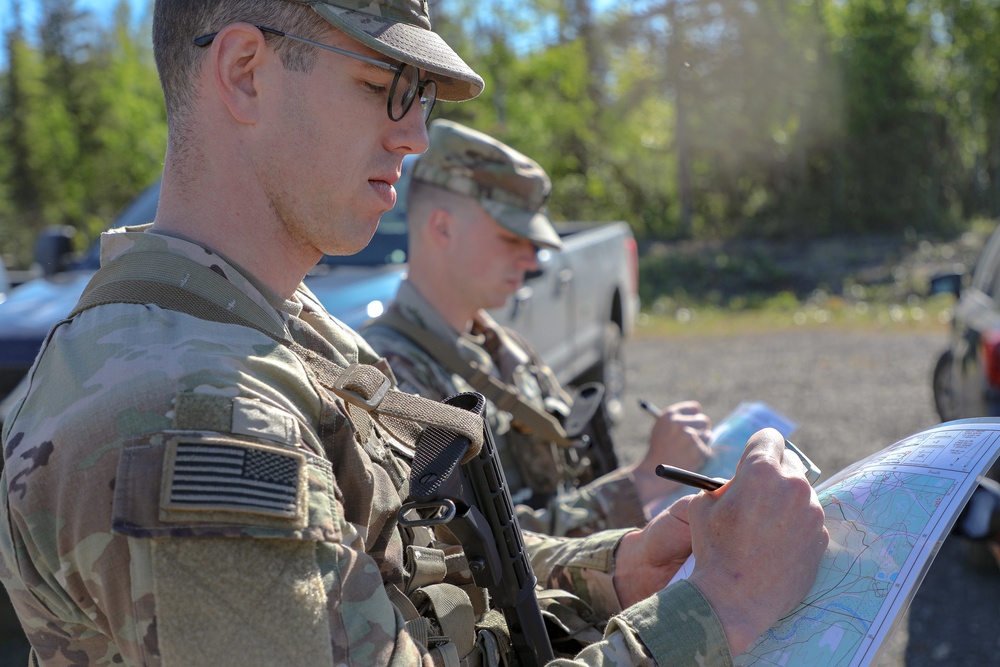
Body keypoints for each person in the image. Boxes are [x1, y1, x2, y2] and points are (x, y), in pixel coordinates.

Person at [0, 0, 829, 665]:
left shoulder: (269, 326)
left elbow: (411, 569)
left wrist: (612, 570)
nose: (414, 135)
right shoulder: (197, 412)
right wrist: (716, 610)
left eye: (422, 98)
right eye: (384, 86)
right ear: (246, 72)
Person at [363, 119, 712, 537]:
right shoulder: (393, 376)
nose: (532, 261)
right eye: (512, 239)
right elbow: (459, 549)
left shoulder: (505, 347)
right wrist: (643, 483)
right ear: (442, 227)